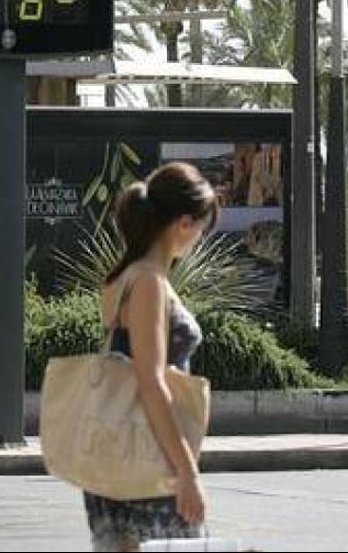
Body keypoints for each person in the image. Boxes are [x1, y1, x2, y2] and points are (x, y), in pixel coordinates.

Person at [84, 161, 218, 552]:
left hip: (117, 452)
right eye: (202, 229)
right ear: (183, 224)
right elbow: (150, 380)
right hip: (148, 459)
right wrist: (187, 472)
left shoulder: (121, 278)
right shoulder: (147, 283)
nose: (198, 240)